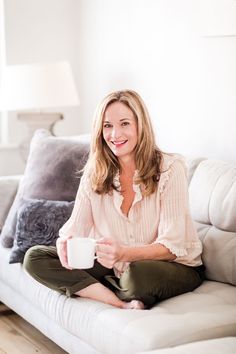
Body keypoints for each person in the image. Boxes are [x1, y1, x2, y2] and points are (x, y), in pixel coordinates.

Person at [24, 89, 205, 310]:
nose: (115, 134)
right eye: (108, 126)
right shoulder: (95, 173)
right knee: (35, 257)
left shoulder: (170, 169)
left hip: (170, 265)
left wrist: (125, 253)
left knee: (137, 275)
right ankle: (118, 300)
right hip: (116, 265)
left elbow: (172, 246)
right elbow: (76, 228)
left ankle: (115, 286)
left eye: (125, 124)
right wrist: (65, 242)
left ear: (140, 125)